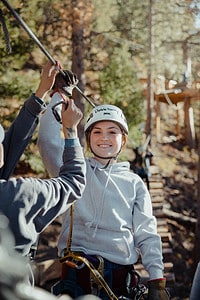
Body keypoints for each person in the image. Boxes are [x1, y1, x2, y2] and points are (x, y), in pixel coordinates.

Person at [38, 103, 170, 300]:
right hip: (76, 275)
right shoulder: (73, 170)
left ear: (123, 139)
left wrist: (156, 279)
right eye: (97, 131)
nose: (104, 138)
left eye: (112, 132)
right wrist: (58, 97)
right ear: (89, 138)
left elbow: (147, 233)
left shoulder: (134, 183)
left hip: (119, 279)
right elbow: (47, 143)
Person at [0, 61, 86, 258]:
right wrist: (71, 131)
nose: (3, 143)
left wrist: (43, 92)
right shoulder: (17, 195)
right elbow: (73, 183)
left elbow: (13, 142)